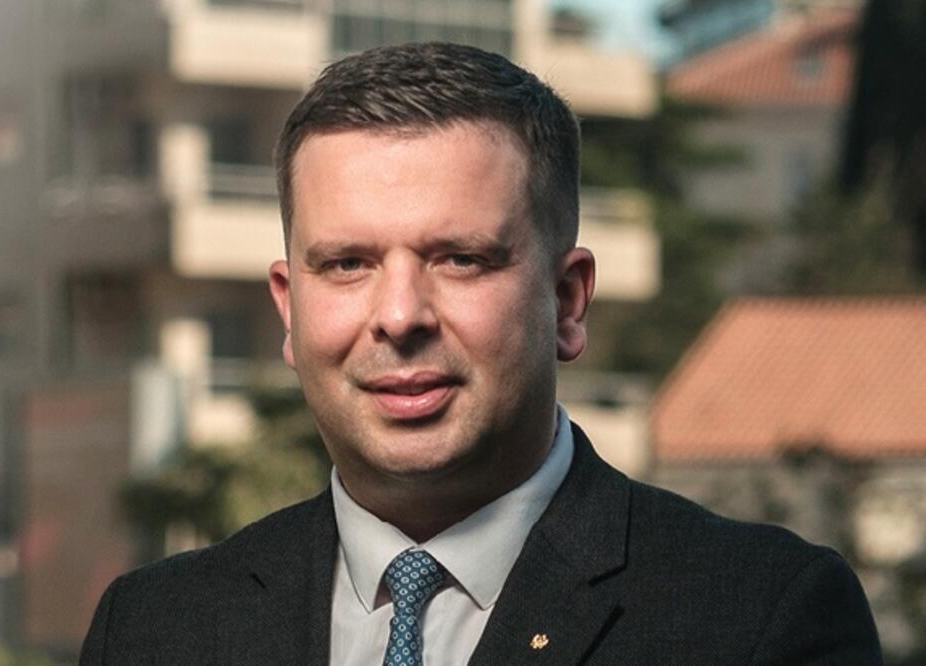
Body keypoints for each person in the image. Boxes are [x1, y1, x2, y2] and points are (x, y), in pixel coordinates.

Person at [80, 42, 881, 665]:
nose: (400, 316)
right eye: (348, 264)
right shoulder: (153, 632)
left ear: (568, 300)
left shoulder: (757, 618)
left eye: (460, 259)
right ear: (290, 309)